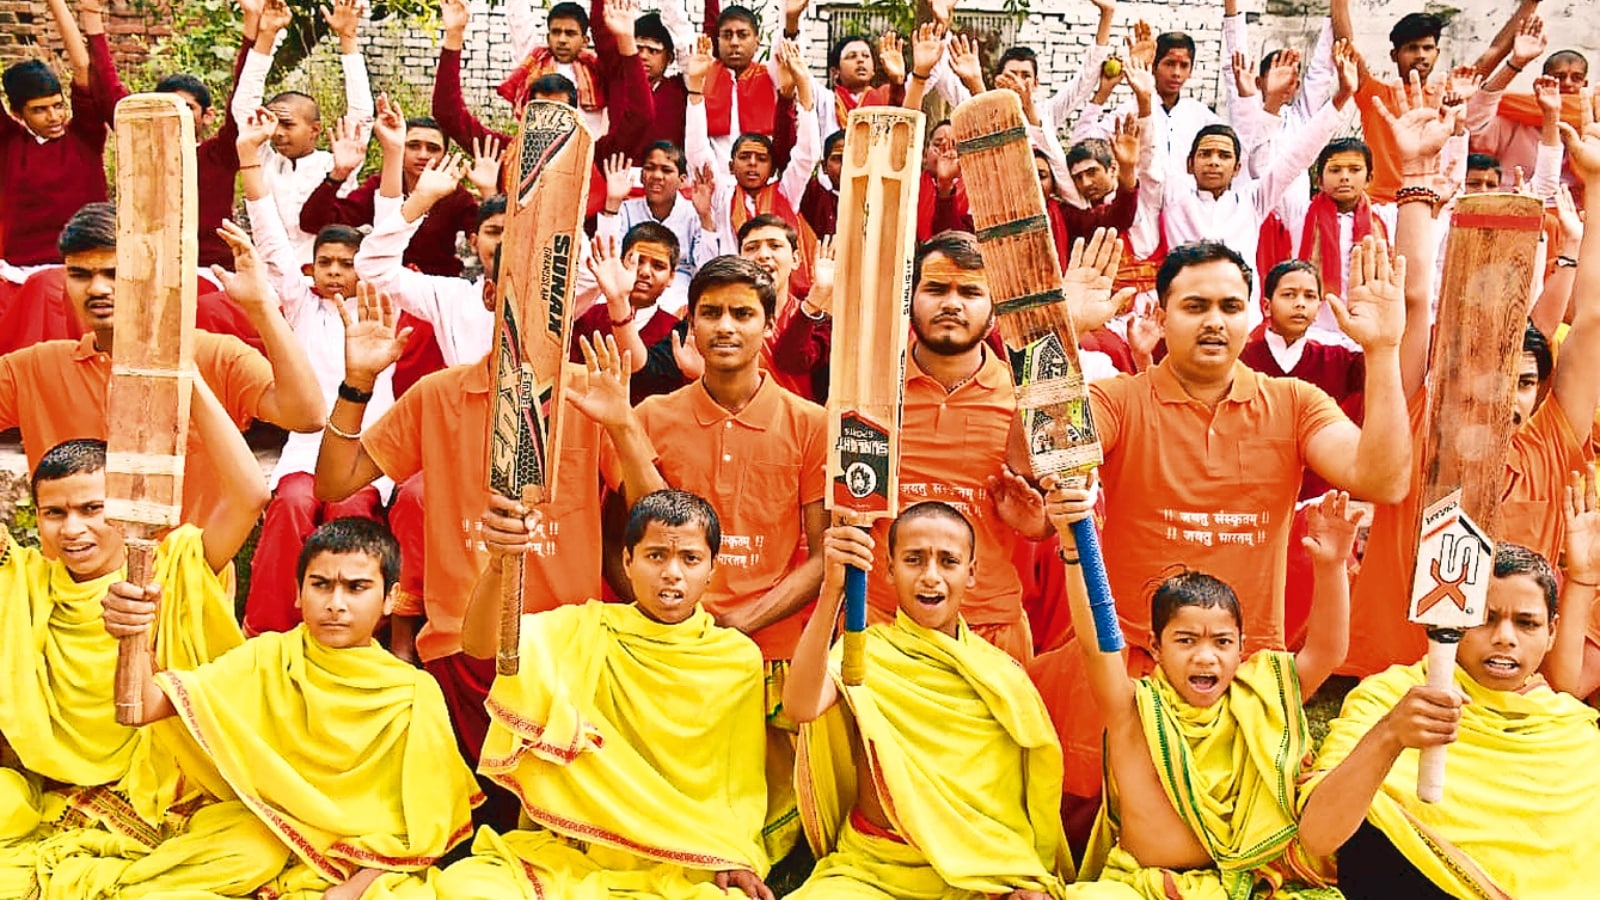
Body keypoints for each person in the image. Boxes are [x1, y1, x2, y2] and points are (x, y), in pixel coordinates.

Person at [1028, 231, 1412, 847]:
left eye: (1231, 307)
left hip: (1243, 674)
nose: (1215, 321)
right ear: (1159, 314)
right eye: (1195, 306)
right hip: (1124, 666)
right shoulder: (1121, 399)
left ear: (1253, 315)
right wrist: (1061, 336)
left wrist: (1386, 350)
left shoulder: (1293, 403)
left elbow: (1384, 478)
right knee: (1083, 837)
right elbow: (1037, 460)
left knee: (1229, 849)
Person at [313, 249, 604, 832]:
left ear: (570, 305)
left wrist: (620, 424)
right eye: (517, 291)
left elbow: (651, 504)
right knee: (486, 829)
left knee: (564, 832)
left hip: (570, 648)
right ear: (490, 294)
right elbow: (335, 481)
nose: (535, 310)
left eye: (552, 296)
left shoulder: (594, 395)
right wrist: (358, 383)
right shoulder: (438, 394)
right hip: (462, 652)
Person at [567, 257, 826, 859]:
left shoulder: (810, 424)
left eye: (743, 313)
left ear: (769, 324)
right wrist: (661, 617)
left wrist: (741, 623)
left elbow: (823, 555)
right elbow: (617, 541)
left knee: (766, 827)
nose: (726, 326)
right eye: (710, 312)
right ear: (690, 327)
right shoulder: (651, 418)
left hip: (771, 647)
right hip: (665, 648)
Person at [1342, 80, 1600, 680]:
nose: (1505, 395)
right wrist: (1412, 175)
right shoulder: (1415, 420)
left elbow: (1590, 321)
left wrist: (1596, 187)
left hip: (1510, 683)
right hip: (1396, 672)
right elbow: (1410, 302)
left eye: (1525, 382)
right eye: (1490, 376)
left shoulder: (1551, 442)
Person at [96, 517, 478, 899]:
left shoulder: (413, 692)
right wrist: (133, 631)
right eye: (321, 585)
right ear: (298, 592)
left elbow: (429, 825)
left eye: (357, 587)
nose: (335, 604)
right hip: (268, 830)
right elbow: (143, 708)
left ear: (390, 598)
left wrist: (351, 890)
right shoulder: (268, 657)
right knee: (244, 859)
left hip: (366, 859)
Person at [434, 489, 775, 899]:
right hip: (576, 847)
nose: (672, 573)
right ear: (627, 562)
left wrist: (731, 855)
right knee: (468, 887)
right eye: (655, 556)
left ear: (711, 569)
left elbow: (736, 786)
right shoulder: (585, 628)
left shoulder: (735, 660)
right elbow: (481, 645)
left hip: (680, 854)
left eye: (689, 558)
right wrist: (498, 564)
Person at [0, 380, 266, 894]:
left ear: (126, 505)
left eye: (91, 509)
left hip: (167, 797)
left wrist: (185, 375)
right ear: (37, 518)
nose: (72, 529)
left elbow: (251, 494)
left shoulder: (175, 566)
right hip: (56, 793)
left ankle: (111, 882)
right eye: (55, 513)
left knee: (250, 846)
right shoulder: (21, 580)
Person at [1044, 487, 1357, 898]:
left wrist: (1332, 566)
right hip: (1141, 888)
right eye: (1187, 640)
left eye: (1222, 642)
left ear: (1242, 649)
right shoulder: (1133, 709)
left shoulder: (1260, 697)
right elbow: (1095, 639)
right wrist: (1074, 542)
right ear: (1156, 647)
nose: (1206, 657)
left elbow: (1327, 652)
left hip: (1234, 886)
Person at [782, 502, 1073, 897]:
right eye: (914, 560)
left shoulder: (1000, 677)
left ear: (971, 573)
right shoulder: (863, 653)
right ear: (888, 569)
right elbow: (801, 706)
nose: (931, 577)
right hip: (876, 869)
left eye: (948, 561)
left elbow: (1010, 806)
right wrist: (832, 589)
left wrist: (1016, 874)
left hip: (975, 874)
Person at [1297, 535, 1600, 898]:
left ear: (1551, 633)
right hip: (1417, 883)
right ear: (1453, 623)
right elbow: (1318, 836)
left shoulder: (1573, 731)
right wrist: (1389, 736)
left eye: (1526, 623)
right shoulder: (1392, 695)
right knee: (1374, 826)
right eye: (1483, 620)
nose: (1505, 638)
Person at [0, 202, 326, 523]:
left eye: (115, 274)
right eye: (80, 274)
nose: (98, 288)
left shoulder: (215, 357)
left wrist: (261, 308)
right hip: (72, 573)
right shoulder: (31, 369)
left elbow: (306, 415)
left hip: (192, 570)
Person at [234, 105, 399, 636]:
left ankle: (350, 632)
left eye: (345, 263)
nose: (333, 272)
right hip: (306, 451)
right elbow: (274, 247)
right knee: (289, 508)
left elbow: (394, 229)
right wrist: (248, 160)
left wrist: (392, 155)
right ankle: (265, 632)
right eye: (324, 263)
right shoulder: (302, 307)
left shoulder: (384, 303)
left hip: (366, 454)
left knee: (350, 519)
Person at [1157, 39, 1361, 319]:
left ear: (1238, 167)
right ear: (1189, 164)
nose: (1214, 161)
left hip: (1241, 319)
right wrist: (1145, 101)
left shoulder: (1251, 200)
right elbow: (1147, 158)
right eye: (1206, 154)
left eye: (1224, 155)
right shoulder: (1173, 193)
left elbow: (1296, 158)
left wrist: (1340, 98)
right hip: (1185, 315)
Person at [433, 0, 651, 220]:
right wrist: (454, 35)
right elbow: (447, 114)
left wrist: (626, 40)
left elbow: (641, 116)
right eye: (541, 111)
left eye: (559, 114)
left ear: (575, 117)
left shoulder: (594, 158)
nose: (549, 123)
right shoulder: (502, 154)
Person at [231, 0, 375, 264]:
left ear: (314, 130)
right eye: (274, 123)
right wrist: (266, 37)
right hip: (269, 281)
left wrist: (348, 39)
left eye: (288, 124)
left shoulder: (338, 163)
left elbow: (362, 116)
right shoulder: (264, 162)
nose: (278, 133)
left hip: (323, 282)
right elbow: (243, 109)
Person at [0, 0, 125, 269]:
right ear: (17, 113)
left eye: (58, 105)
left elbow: (82, 67)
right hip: (20, 271)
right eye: (40, 110)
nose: (54, 116)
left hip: (88, 264)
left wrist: (56, 3)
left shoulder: (84, 136)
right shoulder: (9, 144)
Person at [685, 34, 820, 276]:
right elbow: (697, 153)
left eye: (761, 159)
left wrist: (804, 86)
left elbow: (807, 155)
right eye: (745, 157)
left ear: (772, 167)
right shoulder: (721, 196)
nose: (752, 164)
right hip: (732, 286)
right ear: (730, 165)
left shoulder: (785, 192)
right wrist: (696, 88)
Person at [298, 111, 478, 278]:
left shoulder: (455, 195)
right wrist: (338, 174)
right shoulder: (380, 186)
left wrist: (488, 191)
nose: (423, 154)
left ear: (445, 154)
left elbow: (481, 233)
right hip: (385, 281)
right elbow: (313, 223)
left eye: (432, 148)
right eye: (413, 146)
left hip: (436, 288)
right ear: (400, 147)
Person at [504, 0, 609, 136]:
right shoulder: (534, 65)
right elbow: (518, 23)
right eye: (556, 32)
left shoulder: (598, 71)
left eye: (570, 33)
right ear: (548, 37)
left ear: (585, 41)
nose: (562, 39)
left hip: (588, 153)